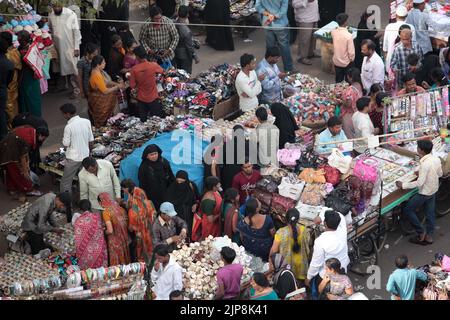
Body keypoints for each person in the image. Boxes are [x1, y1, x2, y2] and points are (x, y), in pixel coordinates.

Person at [396, 140, 443, 245]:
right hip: (433, 189)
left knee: (408, 209)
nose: (417, 149)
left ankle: (421, 232)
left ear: (421, 150)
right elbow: (440, 173)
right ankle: (429, 235)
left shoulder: (425, 163)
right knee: (430, 213)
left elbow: (420, 183)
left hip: (425, 192)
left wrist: (403, 185)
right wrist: (425, 173)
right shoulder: (436, 159)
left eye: (418, 148)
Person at [306, 210, 349, 296]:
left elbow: (316, 264)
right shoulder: (342, 228)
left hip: (327, 277)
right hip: (343, 268)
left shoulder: (320, 241)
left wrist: (308, 278)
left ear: (325, 223)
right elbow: (339, 214)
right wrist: (321, 217)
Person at [48, 0, 82, 99]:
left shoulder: (71, 14)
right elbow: (50, 29)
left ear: (62, 5)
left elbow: (76, 32)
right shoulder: (51, 15)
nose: (56, 9)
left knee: (73, 69)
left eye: (58, 6)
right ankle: (62, 85)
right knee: (59, 67)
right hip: (57, 46)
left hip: (70, 47)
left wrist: (76, 48)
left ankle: (77, 90)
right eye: (54, 7)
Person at [60, 103, 94, 194]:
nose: (63, 116)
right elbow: (91, 140)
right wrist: (89, 153)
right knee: (83, 180)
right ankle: (83, 200)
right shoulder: (86, 121)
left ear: (67, 114)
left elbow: (65, 144)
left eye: (63, 114)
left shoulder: (68, 127)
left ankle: (66, 204)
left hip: (73, 159)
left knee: (66, 182)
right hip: (85, 156)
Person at [0, 126, 39, 201]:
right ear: (40, 135)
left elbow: (25, 154)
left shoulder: (30, 132)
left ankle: (12, 189)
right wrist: (25, 171)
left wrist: (27, 165)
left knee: (10, 172)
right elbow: (23, 157)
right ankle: (28, 189)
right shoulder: (29, 139)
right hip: (9, 152)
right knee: (16, 172)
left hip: (6, 147)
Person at [121, 179, 155, 263]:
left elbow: (139, 209)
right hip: (142, 224)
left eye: (123, 189)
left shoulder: (138, 193)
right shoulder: (132, 193)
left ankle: (147, 262)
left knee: (146, 243)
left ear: (127, 188)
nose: (123, 191)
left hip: (143, 223)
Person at [270, 208, 308, 282]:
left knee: (290, 283)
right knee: (299, 283)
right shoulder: (304, 230)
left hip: (288, 265)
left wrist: (270, 261)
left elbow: (274, 251)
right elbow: (307, 246)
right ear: (298, 219)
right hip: (301, 265)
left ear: (285, 219)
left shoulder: (280, 233)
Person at [255, 0, 294, 72]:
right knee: (284, 47)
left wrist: (268, 15)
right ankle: (289, 69)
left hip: (267, 23)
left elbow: (257, 6)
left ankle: (269, 69)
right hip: (281, 24)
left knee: (270, 47)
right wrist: (275, 16)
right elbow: (284, 9)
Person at [129, 46, 165, 122]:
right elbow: (162, 71)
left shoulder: (134, 69)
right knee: (157, 121)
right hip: (153, 97)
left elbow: (132, 85)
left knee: (143, 122)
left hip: (141, 99)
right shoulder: (153, 65)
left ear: (137, 56)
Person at [88, 55, 124, 127]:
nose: (105, 64)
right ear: (98, 65)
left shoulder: (98, 71)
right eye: (103, 63)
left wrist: (116, 84)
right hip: (101, 101)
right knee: (102, 121)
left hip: (103, 99)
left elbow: (106, 82)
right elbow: (105, 91)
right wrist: (117, 86)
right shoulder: (96, 75)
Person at [98, 192, 131, 266]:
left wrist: (103, 232)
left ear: (101, 202)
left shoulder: (106, 212)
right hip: (124, 237)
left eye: (99, 203)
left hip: (114, 240)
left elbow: (110, 230)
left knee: (116, 261)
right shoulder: (120, 208)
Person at [73, 199, 108, 269]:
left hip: (85, 252)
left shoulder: (79, 221)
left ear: (80, 209)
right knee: (100, 272)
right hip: (98, 250)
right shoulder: (96, 217)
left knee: (88, 274)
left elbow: (78, 238)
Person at [138, 144, 175, 209]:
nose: (154, 156)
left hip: (165, 194)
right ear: (147, 156)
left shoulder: (163, 162)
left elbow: (171, 177)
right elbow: (142, 183)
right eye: (151, 154)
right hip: (151, 197)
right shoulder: (144, 167)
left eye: (155, 153)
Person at [165, 170, 199, 236]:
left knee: (188, 231)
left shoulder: (191, 186)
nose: (179, 183)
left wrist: (196, 204)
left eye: (182, 181)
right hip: (176, 214)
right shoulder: (172, 187)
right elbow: (167, 201)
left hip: (188, 214)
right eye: (178, 181)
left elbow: (197, 198)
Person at [383, 5, 416, 73]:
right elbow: (414, 46)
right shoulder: (411, 27)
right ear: (406, 16)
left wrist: (387, 60)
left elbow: (385, 48)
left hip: (391, 64)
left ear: (396, 15)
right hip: (406, 63)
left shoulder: (389, 27)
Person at [17, 30, 41, 117]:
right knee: (28, 99)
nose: (18, 40)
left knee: (30, 99)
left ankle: (32, 118)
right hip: (28, 78)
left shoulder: (25, 52)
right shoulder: (31, 47)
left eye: (19, 39)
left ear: (24, 40)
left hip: (28, 78)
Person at [0, 32, 20, 130]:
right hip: (12, 80)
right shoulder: (14, 51)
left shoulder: (8, 54)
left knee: (9, 106)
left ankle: (11, 126)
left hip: (9, 83)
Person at [220, 125, 250, 191]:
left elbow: (222, 160)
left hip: (229, 173)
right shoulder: (247, 145)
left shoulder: (226, 145)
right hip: (242, 173)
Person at [292, 0, 319, 66]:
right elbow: (294, 5)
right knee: (305, 40)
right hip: (304, 19)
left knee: (313, 38)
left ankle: (310, 53)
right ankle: (302, 57)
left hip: (314, 17)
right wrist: (306, 1)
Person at [340, 68, 363, 139]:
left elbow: (348, 104)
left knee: (349, 135)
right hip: (357, 112)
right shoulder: (359, 85)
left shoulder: (350, 90)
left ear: (350, 77)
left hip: (349, 115)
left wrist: (341, 101)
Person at [174, 5, 199, 74]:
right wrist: (195, 57)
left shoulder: (174, 22)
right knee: (186, 74)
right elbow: (189, 47)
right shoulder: (186, 31)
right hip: (184, 56)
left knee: (178, 73)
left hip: (175, 53)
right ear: (187, 15)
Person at [331, 13, 355, 83]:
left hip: (336, 61)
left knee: (338, 81)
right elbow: (351, 52)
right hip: (347, 62)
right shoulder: (349, 36)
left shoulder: (333, 32)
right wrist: (351, 59)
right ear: (345, 23)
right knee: (348, 81)